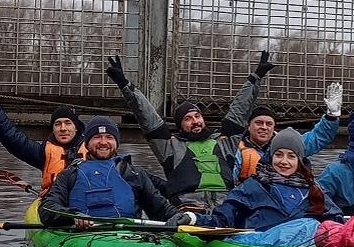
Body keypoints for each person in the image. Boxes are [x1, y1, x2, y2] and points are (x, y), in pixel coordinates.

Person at [106, 51, 275, 211]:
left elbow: (240, 110)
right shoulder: (169, 147)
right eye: (188, 119)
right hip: (188, 209)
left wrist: (255, 77)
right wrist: (124, 85)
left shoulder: (224, 142)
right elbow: (147, 117)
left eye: (197, 116)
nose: (195, 121)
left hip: (225, 209)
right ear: (180, 126)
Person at [175, 128, 342, 232]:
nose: (284, 161)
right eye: (278, 155)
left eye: (291, 156)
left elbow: (335, 222)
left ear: (300, 161)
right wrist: (194, 218)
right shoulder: (252, 187)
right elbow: (223, 220)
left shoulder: (314, 190)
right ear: (270, 157)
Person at [38, 116, 189, 229]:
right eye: (97, 137)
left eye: (109, 137)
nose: (103, 142)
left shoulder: (133, 173)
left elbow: (160, 208)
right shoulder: (70, 174)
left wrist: (180, 217)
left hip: (127, 239)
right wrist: (72, 216)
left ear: (116, 143)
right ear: (87, 144)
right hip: (80, 237)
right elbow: (47, 208)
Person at [0, 87, 86, 194]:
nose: (63, 128)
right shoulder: (43, 153)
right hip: (54, 202)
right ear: (53, 129)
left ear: (76, 128)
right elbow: (12, 137)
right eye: (58, 124)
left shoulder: (92, 150)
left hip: (85, 201)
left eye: (68, 123)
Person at [233, 82, 343, 183]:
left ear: (274, 127)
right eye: (259, 123)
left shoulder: (289, 144)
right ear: (248, 126)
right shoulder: (236, 151)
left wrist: (331, 116)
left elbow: (318, 137)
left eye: (269, 124)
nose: (264, 127)